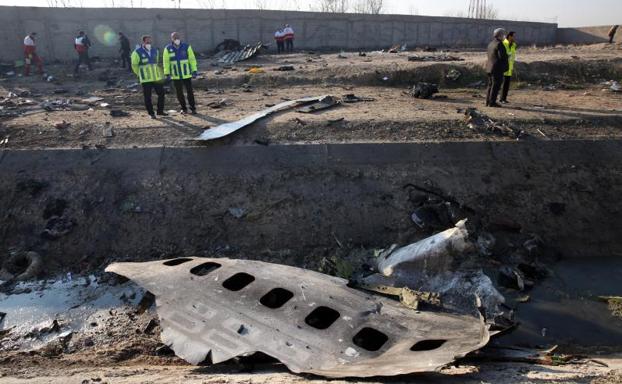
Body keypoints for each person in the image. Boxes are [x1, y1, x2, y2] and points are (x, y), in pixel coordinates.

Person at [131, 35, 167, 119]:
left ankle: (160, 111)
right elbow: (134, 65)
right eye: (147, 42)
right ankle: (151, 113)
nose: (149, 43)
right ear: (143, 42)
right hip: (145, 79)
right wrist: (139, 74)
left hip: (156, 77)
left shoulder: (155, 51)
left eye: (150, 42)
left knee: (161, 94)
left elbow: (156, 63)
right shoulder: (137, 52)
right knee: (147, 97)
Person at [163, 32, 198, 114]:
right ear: (171, 38)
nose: (176, 39)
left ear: (180, 37)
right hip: (176, 75)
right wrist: (167, 73)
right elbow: (166, 62)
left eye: (177, 37)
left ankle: (193, 108)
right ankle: (184, 108)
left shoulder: (186, 47)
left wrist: (194, 70)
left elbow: (192, 59)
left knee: (190, 92)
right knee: (179, 93)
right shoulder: (168, 48)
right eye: (174, 37)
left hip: (187, 74)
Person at [485, 28, 509, 108]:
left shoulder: (491, 43)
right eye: (503, 35)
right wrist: (507, 56)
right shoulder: (499, 44)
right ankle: (492, 103)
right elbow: (502, 56)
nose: (504, 36)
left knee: (490, 85)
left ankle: (488, 101)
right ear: (500, 35)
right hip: (497, 68)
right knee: (496, 85)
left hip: (489, 67)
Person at [500, 31, 517, 104]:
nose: (514, 38)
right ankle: (500, 99)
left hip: (509, 67)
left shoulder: (513, 45)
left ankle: (504, 98)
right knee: (501, 84)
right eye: (513, 36)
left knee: (506, 84)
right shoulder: (503, 43)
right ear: (509, 36)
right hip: (503, 67)